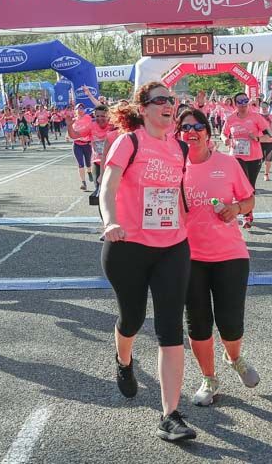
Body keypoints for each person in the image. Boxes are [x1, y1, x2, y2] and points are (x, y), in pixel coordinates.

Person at [99, 82, 196, 442]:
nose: (169, 105)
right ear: (144, 109)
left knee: (170, 328)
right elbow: (108, 185)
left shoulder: (180, 148)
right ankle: (124, 362)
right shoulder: (130, 141)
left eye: (172, 100)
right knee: (132, 319)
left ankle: (171, 415)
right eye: (160, 101)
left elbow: (179, 194)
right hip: (128, 245)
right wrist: (109, 221)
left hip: (172, 246)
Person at [176, 108, 259, 407]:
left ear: (208, 133)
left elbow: (249, 199)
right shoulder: (174, 168)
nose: (191, 131)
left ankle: (234, 358)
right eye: (185, 127)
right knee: (197, 324)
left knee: (230, 321)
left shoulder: (227, 164)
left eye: (197, 126)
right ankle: (209, 378)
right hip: (188, 257)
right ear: (178, 135)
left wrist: (236, 209)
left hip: (230, 254)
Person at [222, 93, 269, 228]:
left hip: (254, 156)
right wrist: (225, 139)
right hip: (236, 156)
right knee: (239, 186)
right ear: (235, 104)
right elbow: (223, 133)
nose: (242, 104)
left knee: (250, 186)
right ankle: (244, 215)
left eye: (245, 101)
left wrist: (258, 138)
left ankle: (248, 212)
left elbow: (269, 135)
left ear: (248, 102)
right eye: (239, 102)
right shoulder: (230, 119)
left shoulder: (256, 117)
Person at [67, 104, 95, 190]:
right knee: (80, 164)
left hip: (87, 144)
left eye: (82, 108)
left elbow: (92, 129)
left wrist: (91, 140)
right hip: (77, 144)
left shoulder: (88, 118)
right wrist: (67, 135)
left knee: (88, 162)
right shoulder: (73, 120)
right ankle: (83, 183)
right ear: (75, 110)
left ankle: (89, 172)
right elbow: (70, 128)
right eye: (78, 108)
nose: (80, 110)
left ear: (84, 110)